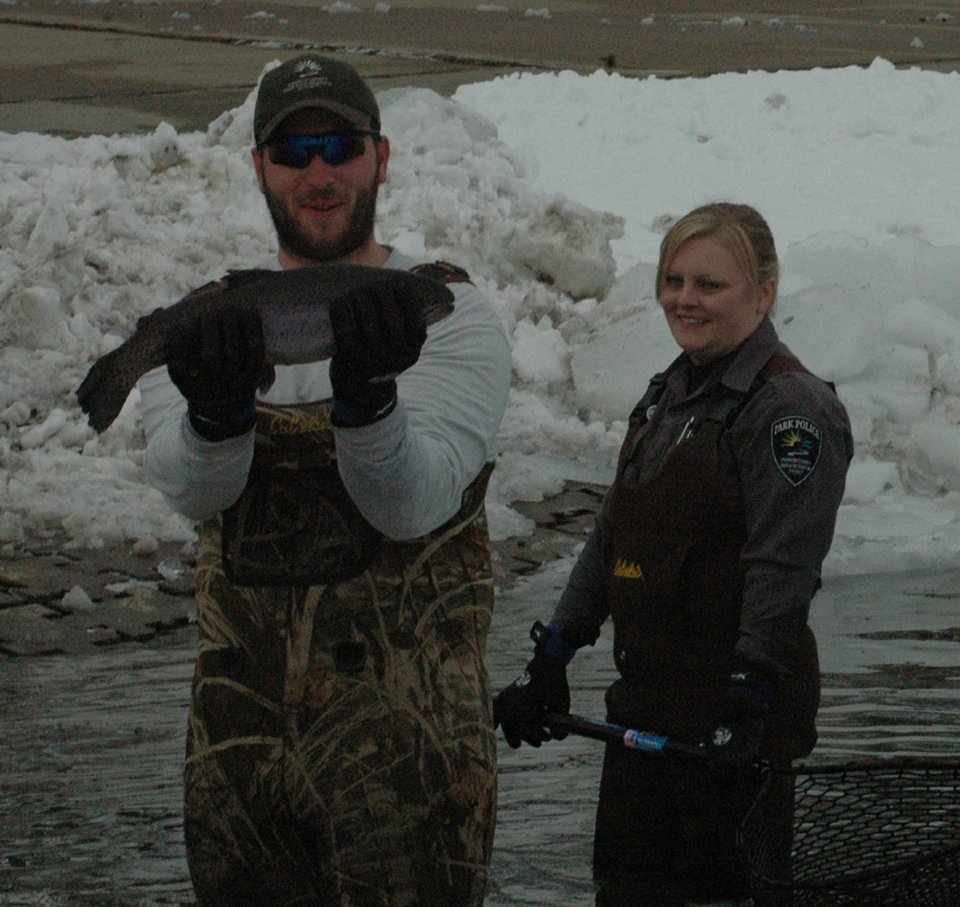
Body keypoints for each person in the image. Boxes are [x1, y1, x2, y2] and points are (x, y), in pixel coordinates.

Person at [138, 55, 511, 906]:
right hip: (236, 750)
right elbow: (189, 492)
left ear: (381, 157)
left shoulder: (446, 315)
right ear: (260, 167)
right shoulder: (210, 321)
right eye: (293, 149)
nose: (318, 171)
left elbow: (414, 505)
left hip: (408, 758)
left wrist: (371, 396)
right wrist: (217, 414)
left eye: (339, 145)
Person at [493, 203, 853, 905]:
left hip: (729, 730)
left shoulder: (789, 412)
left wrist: (747, 699)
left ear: (764, 290)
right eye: (674, 279)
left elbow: (783, 568)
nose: (684, 299)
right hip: (644, 714)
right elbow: (612, 537)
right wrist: (552, 655)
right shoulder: (669, 397)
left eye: (710, 284)